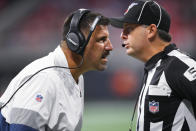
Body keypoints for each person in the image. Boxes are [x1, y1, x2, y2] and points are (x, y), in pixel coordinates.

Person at [0, 9, 113, 131]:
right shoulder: (44, 79)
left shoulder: (75, 76)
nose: (110, 47)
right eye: (102, 39)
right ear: (76, 41)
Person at [110, 0, 196, 131]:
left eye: (129, 29)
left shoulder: (179, 66)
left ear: (151, 30)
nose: (122, 35)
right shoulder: (154, 68)